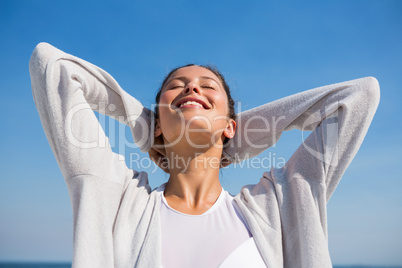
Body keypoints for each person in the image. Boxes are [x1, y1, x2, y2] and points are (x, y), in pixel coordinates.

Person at [30, 42, 380, 268]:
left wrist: (234, 137)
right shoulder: (119, 201)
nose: (192, 87)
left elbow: (357, 98)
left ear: (232, 124)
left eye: (207, 86)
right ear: (155, 122)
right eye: (176, 87)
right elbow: (52, 66)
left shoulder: (277, 204)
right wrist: (146, 125)